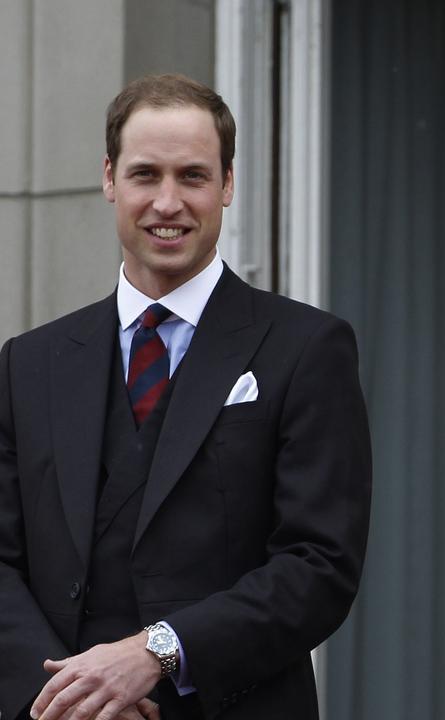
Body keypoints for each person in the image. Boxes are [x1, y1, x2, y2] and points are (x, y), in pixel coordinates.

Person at [0, 74, 372, 720]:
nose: (167, 202)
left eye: (193, 177)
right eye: (146, 175)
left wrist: (155, 654)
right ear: (109, 178)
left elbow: (320, 566)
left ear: (228, 185)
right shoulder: (28, 364)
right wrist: (68, 699)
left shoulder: (308, 347)